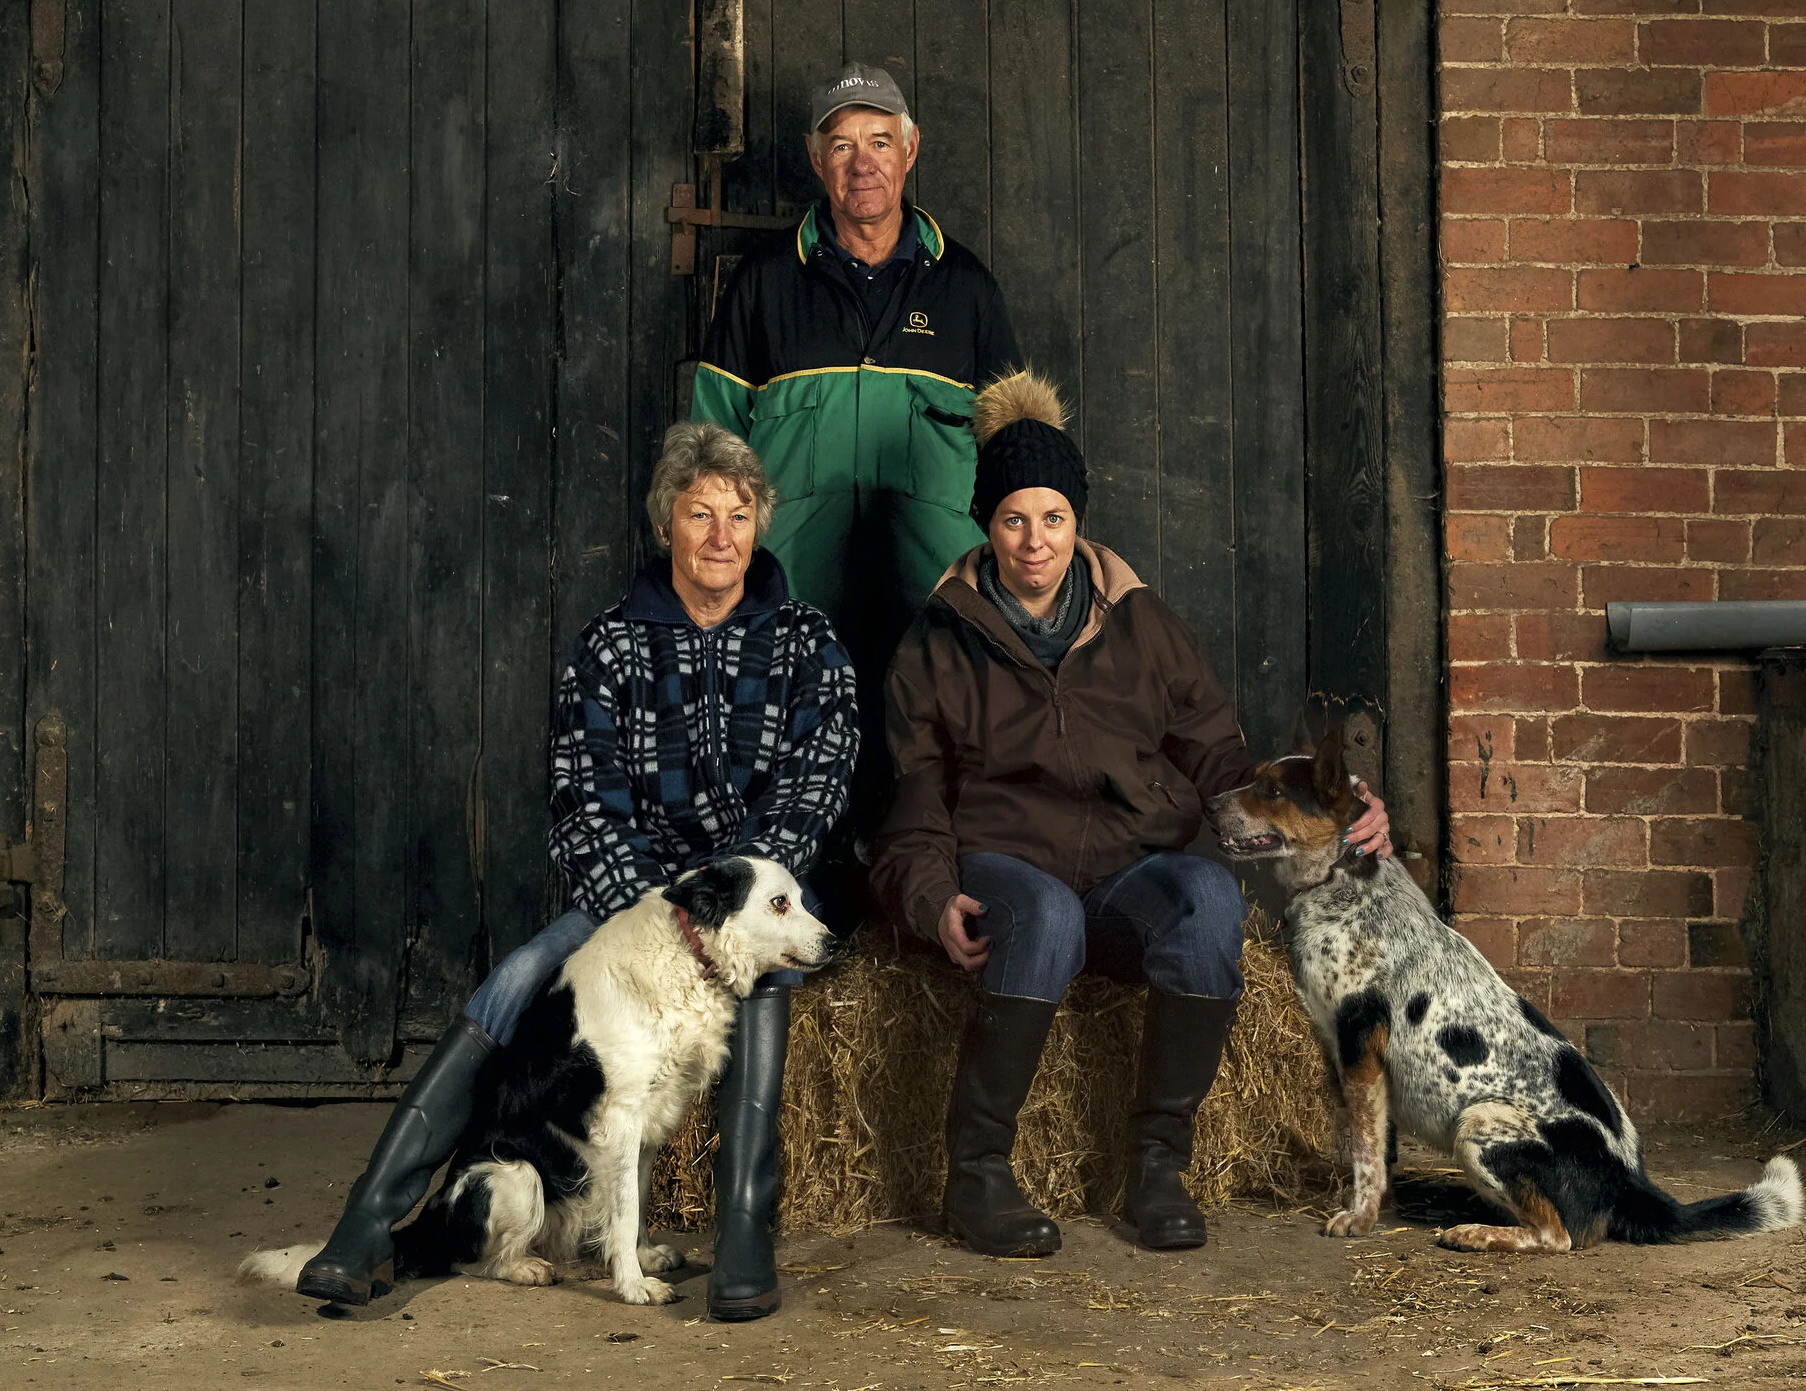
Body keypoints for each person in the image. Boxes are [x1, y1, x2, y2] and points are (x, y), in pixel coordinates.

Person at [296, 424, 858, 1321]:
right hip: (633, 902)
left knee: (762, 985)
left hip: (751, 901)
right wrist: (656, 916)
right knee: (519, 974)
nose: (722, 535)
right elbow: (581, 795)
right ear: (666, 524)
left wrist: (731, 915)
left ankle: (744, 1232)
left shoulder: (806, 642)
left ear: (762, 526)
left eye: (740, 515)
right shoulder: (611, 645)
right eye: (701, 514)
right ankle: (368, 1222)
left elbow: (820, 777)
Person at [869, 372, 1392, 1258]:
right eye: (1013, 520)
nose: (1035, 543)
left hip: (1123, 874)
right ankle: (979, 1176)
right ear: (985, 524)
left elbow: (1221, 761)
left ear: (1079, 522)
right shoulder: (938, 642)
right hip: (1010, 870)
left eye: (1054, 519)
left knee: (1206, 900)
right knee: (1045, 913)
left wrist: (1335, 808)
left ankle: (1158, 1169)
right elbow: (913, 798)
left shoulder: (1143, 623)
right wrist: (929, 899)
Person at [691, 64, 1021, 834]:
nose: (862, 162)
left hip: (936, 615)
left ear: (911, 151)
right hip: (794, 611)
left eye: (880, 141)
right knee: (793, 807)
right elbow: (709, 453)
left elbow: (1016, 456)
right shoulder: (766, 285)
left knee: (936, 797)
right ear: (815, 160)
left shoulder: (967, 287)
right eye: (842, 145)